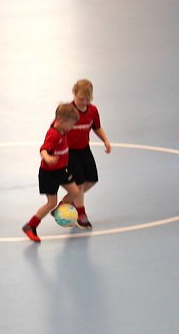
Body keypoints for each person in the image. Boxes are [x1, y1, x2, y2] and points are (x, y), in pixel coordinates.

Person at [22, 103, 81, 243]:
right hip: (48, 173)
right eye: (71, 125)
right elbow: (43, 149)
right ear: (61, 122)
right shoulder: (53, 135)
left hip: (61, 170)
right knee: (50, 203)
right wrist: (47, 157)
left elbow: (63, 114)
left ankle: (59, 210)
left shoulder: (62, 128)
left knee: (75, 192)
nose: (72, 128)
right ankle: (30, 226)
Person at [66, 79, 112, 229]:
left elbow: (97, 127)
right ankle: (81, 213)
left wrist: (105, 139)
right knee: (79, 183)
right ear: (74, 94)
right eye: (81, 99)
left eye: (88, 99)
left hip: (84, 149)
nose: (84, 102)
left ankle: (71, 199)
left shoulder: (92, 110)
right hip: (70, 152)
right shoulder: (68, 111)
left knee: (92, 179)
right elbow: (56, 129)